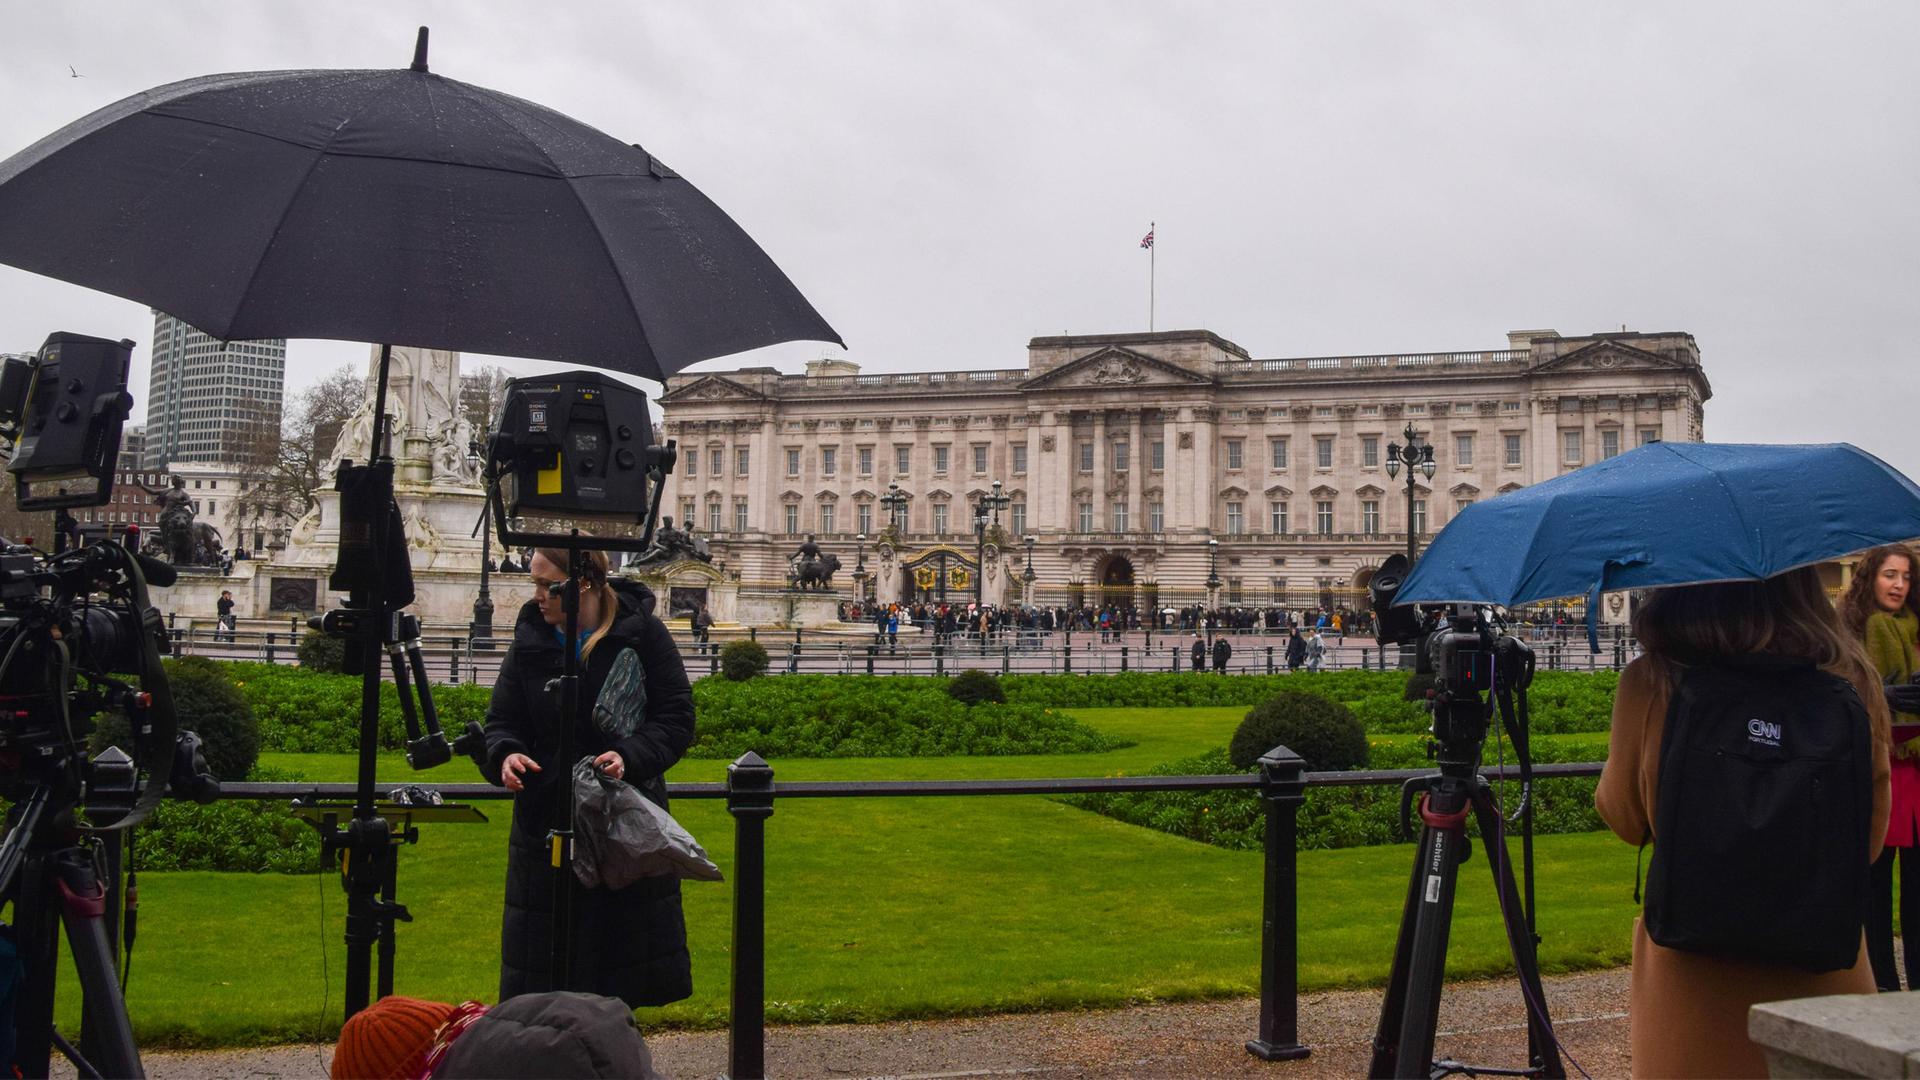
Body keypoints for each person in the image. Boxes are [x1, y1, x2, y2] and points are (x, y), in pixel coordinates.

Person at [1595, 568, 1891, 1077]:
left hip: (1694, 985)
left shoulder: (1654, 680)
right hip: (1824, 976)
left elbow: (1625, 819)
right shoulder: (1852, 681)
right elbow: (1868, 841)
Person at [481, 547, 696, 1009]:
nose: (536, 595)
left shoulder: (642, 635)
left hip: (620, 828)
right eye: (535, 584)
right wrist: (506, 756)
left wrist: (629, 755)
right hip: (545, 827)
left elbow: (676, 718)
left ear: (582, 584)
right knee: (544, 984)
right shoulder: (531, 639)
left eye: (546, 585)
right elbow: (502, 722)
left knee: (617, 982)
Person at [1838, 543, 1920, 992]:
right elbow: (1832, 693)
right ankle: (1882, 985)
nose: (1900, 585)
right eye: (1891, 575)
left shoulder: (1917, 627)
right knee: (1873, 891)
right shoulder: (1847, 633)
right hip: (1874, 773)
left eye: (1906, 577)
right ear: (1871, 578)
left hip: (1916, 773)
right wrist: (1877, 697)